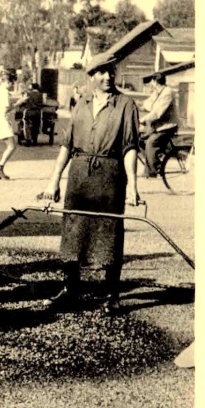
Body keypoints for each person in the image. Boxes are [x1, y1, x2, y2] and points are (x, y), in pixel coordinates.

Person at [39, 53, 141, 315]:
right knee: (73, 230)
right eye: (101, 72)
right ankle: (71, 289)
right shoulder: (81, 102)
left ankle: (112, 294)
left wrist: (132, 185)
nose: (107, 77)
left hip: (110, 175)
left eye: (110, 71)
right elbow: (66, 145)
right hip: (79, 174)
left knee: (109, 231)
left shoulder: (126, 105)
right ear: (91, 76)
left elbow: (130, 147)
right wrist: (53, 182)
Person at [137, 72, 178, 177]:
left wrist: (142, 119)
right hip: (158, 127)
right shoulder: (158, 92)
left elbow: (157, 113)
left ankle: (156, 168)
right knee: (140, 141)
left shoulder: (167, 93)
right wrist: (137, 105)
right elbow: (149, 103)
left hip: (168, 127)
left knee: (151, 143)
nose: (151, 83)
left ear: (155, 82)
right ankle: (150, 168)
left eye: (151, 81)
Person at [0, 69, 21, 179]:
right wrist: (19, 103)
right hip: (1, 121)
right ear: (8, 82)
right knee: (12, 146)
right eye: (12, 83)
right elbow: (6, 109)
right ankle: (0, 168)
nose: (12, 86)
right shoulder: (5, 93)